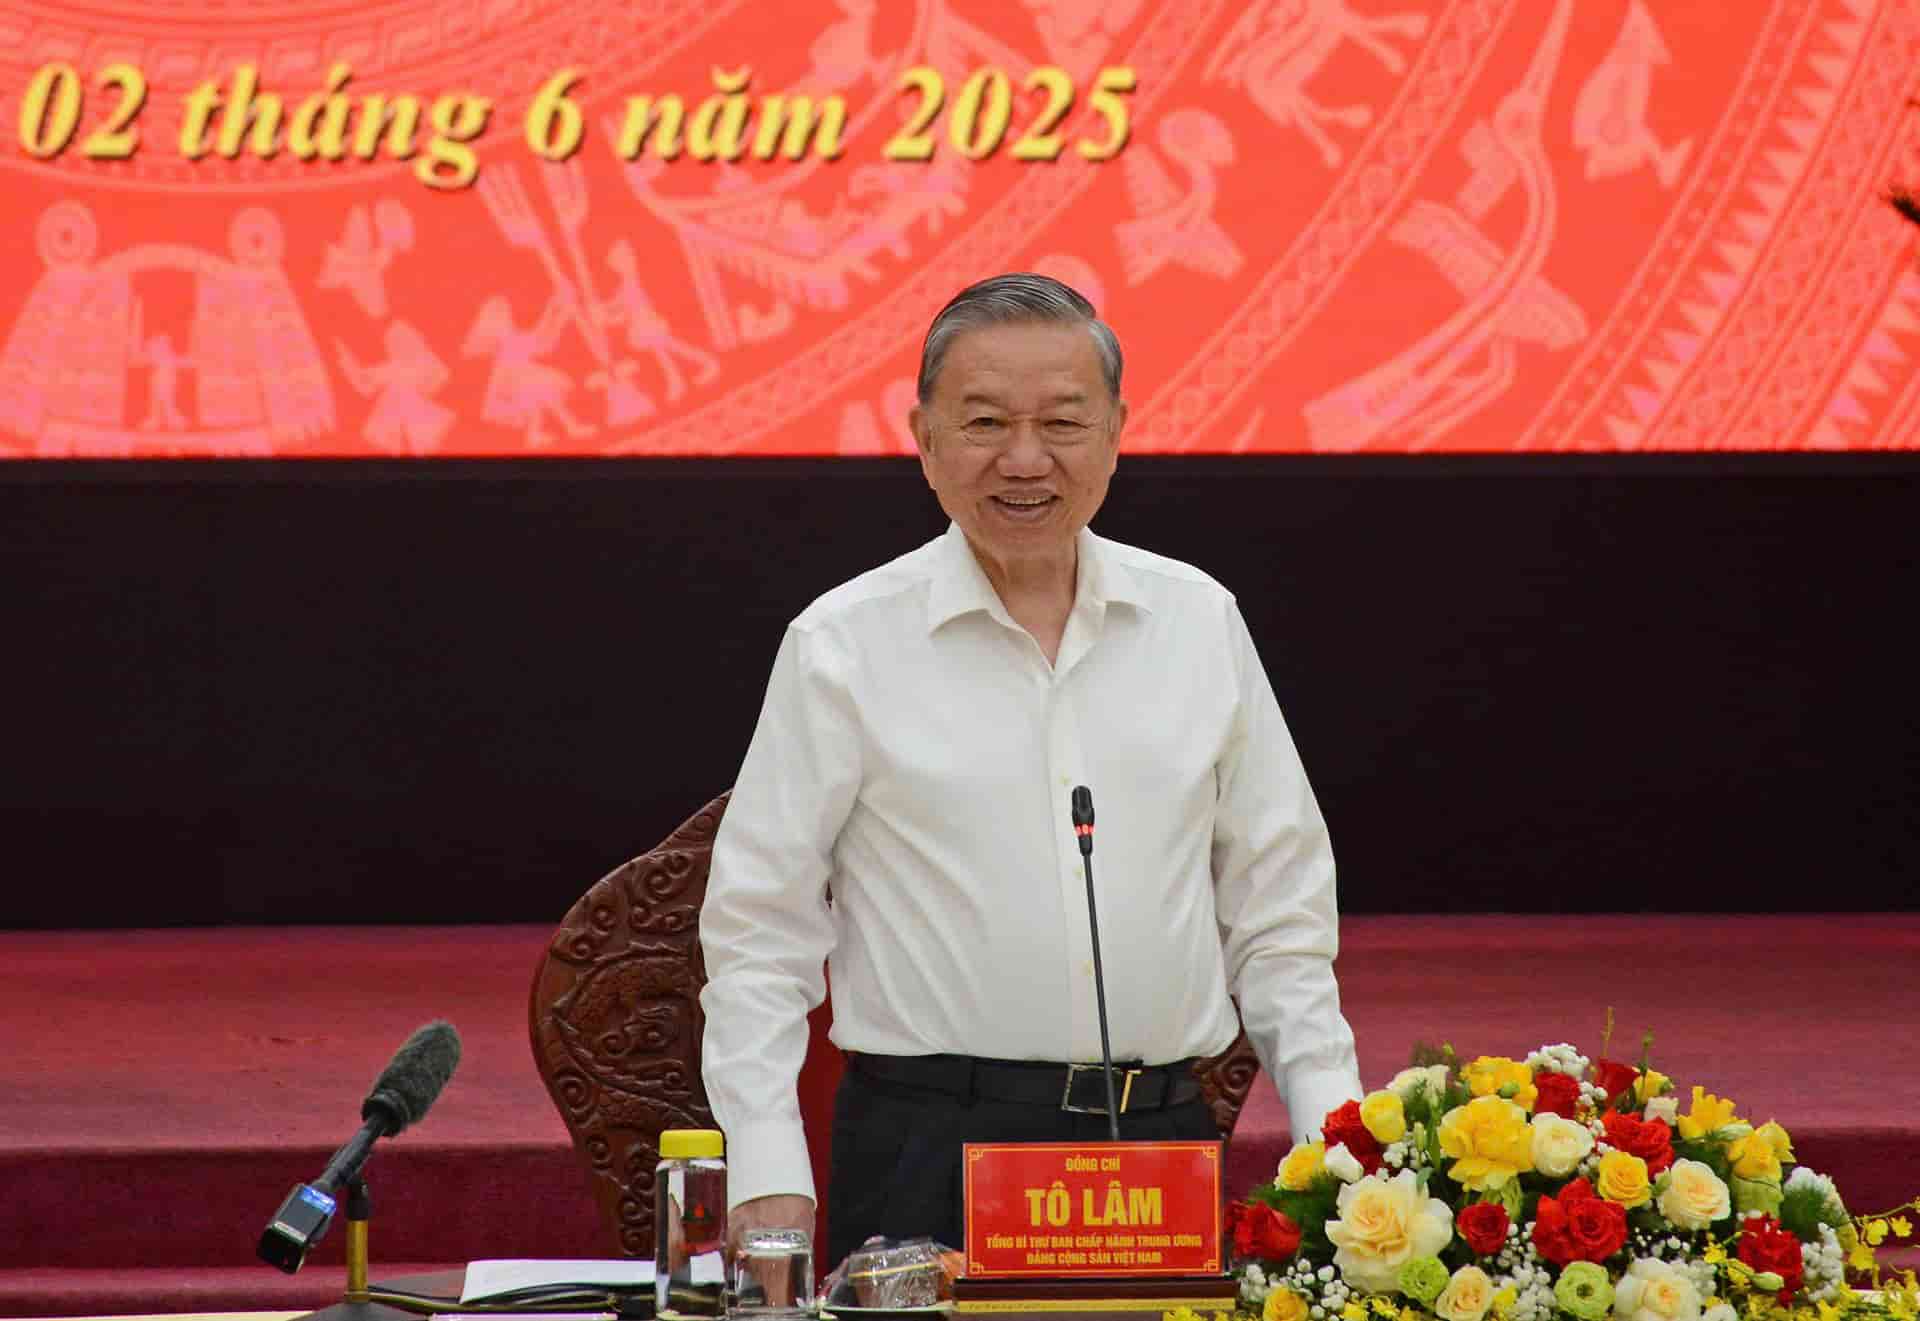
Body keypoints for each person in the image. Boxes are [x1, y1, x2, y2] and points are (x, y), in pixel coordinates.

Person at [698, 273, 1363, 1269]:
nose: (1023, 459)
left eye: (1061, 422)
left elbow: (1281, 915)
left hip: (1155, 1150)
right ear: (923, 436)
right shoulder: (843, 643)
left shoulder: (1197, 622)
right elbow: (759, 929)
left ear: (1115, 432)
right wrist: (765, 1166)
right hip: (928, 1146)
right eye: (983, 423)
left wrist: (1339, 1145)